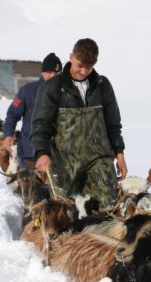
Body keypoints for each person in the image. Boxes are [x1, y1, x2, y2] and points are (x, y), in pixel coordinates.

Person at [31, 38, 127, 208]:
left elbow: (113, 124)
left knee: (108, 208)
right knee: (64, 212)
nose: (83, 72)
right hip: (65, 163)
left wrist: (119, 153)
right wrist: (42, 152)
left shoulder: (102, 85)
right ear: (71, 57)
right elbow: (40, 124)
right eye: (80, 66)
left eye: (88, 67)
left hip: (99, 160)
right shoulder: (52, 87)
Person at [3, 53, 62, 169]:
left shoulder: (65, 93)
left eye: (57, 73)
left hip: (56, 154)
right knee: (29, 186)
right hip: (29, 153)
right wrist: (8, 134)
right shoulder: (28, 90)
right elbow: (12, 114)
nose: (53, 76)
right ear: (42, 72)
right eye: (49, 72)